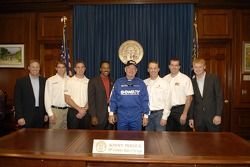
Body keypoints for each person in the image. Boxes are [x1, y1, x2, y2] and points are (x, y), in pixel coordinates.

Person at [108, 60, 150, 131]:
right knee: (121, 139)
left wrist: (146, 116)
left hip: (136, 116)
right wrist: (111, 114)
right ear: (125, 69)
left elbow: (145, 101)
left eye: (133, 68)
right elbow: (113, 99)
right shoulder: (118, 82)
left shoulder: (141, 83)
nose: (131, 70)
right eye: (129, 68)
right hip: (122, 116)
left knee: (136, 139)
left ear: (136, 70)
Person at [189, 58, 223, 132]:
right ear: (193, 68)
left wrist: (218, 115)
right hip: (198, 118)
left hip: (213, 117)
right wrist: (191, 118)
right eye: (195, 67)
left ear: (204, 67)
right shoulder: (191, 82)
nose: (198, 69)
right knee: (200, 142)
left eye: (200, 67)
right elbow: (192, 101)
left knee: (215, 142)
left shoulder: (213, 78)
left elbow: (219, 97)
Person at [14, 59, 48, 128]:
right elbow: (17, 100)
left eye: (37, 67)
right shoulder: (20, 82)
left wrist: (46, 113)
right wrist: (19, 117)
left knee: (39, 136)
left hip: (40, 114)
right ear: (29, 68)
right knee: (26, 137)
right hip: (26, 115)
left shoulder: (44, 81)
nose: (35, 69)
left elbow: (46, 99)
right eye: (33, 67)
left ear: (39, 68)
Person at [164, 57, 193, 131]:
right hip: (168, 111)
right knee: (169, 136)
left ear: (179, 67)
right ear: (169, 66)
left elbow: (189, 98)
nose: (174, 67)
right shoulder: (164, 79)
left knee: (182, 137)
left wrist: (184, 114)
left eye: (176, 65)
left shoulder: (185, 79)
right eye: (172, 65)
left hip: (181, 110)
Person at [144, 61, 171, 131]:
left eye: (155, 68)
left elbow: (168, 101)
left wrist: (164, 117)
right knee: (148, 139)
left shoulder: (164, 83)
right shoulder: (144, 83)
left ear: (158, 69)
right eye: (151, 68)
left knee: (160, 139)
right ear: (148, 70)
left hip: (160, 115)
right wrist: (144, 115)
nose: (153, 70)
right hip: (147, 115)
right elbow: (142, 101)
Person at [88, 60, 114, 130]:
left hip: (110, 116)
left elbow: (115, 99)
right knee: (98, 138)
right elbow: (91, 100)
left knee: (110, 137)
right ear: (100, 69)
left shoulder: (112, 81)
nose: (106, 70)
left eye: (108, 68)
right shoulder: (93, 81)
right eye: (104, 68)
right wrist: (93, 116)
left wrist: (115, 114)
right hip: (98, 116)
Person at [64, 60, 90, 129]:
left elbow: (91, 98)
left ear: (85, 69)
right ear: (75, 69)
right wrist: (79, 109)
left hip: (86, 111)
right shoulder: (69, 81)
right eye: (78, 67)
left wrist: (84, 110)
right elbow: (67, 99)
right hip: (73, 111)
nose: (80, 69)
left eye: (82, 67)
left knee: (86, 136)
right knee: (73, 136)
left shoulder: (89, 82)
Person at [44, 61, 68, 129]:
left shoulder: (69, 79)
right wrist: (50, 114)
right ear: (56, 68)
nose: (61, 69)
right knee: (54, 135)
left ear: (65, 68)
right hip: (55, 111)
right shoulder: (50, 80)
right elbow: (47, 98)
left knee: (66, 135)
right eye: (59, 67)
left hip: (67, 111)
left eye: (63, 67)